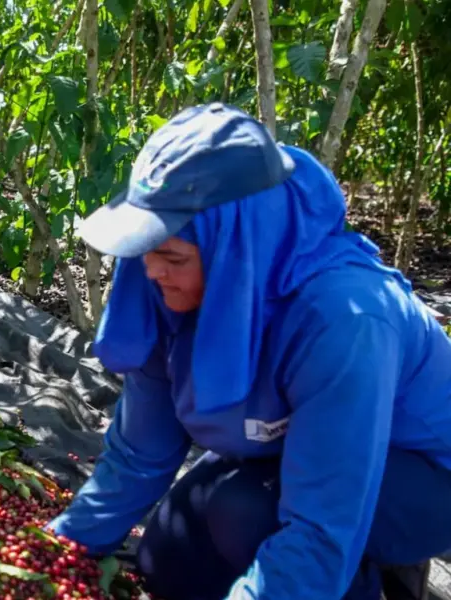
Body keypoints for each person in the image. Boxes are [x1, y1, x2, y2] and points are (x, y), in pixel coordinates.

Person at [47, 103, 451, 600]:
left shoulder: (344, 320)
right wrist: (62, 550)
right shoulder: (168, 286)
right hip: (295, 451)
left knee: (243, 512)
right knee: (167, 554)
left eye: (172, 257)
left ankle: (381, 582)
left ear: (234, 248)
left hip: (413, 474)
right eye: (148, 249)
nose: (152, 271)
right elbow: (139, 454)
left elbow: (322, 523)